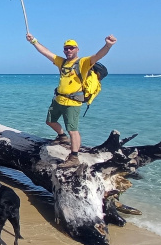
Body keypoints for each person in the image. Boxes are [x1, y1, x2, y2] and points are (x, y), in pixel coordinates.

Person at [26, 33, 117, 168]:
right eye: (66, 48)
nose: (69, 50)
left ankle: (74, 157)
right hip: (58, 100)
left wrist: (108, 45)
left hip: (73, 103)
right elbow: (46, 53)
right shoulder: (62, 62)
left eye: (71, 48)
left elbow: (98, 56)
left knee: (73, 130)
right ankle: (62, 136)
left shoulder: (83, 62)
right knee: (50, 121)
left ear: (77, 49)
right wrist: (33, 41)